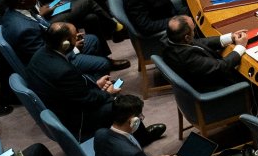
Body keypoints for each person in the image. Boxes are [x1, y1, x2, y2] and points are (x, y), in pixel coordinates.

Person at [27, 22, 165, 142]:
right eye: (76, 36)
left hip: (64, 105)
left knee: (109, 88)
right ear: (65, 44)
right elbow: (87, 100)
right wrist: (107, 93)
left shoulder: (41, 54)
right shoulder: (63, 70)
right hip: (77, 118)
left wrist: (96, 85)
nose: (81, 36)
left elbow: (72, 90)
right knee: (122, 103)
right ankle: (143, 138)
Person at [0, 0, 117, 76]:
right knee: (103, 64)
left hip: (54, 47)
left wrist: (68, 39)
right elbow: (45, 59)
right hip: (54, 64)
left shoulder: (17, 10)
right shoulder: (24, 30)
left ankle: (92, 79)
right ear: (22, 0)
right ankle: (94, 90)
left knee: (92, 40)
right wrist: (73, 49)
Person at [158, 15, 250, 93]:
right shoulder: (186, 57)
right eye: (193, 30)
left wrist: (230, 38)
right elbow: (221, 67)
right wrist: (240, 47)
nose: (194, 31)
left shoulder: (170, 40)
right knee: (250, 80)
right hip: (214, 88)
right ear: (187, 38)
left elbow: (198, 42)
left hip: (203, 76)